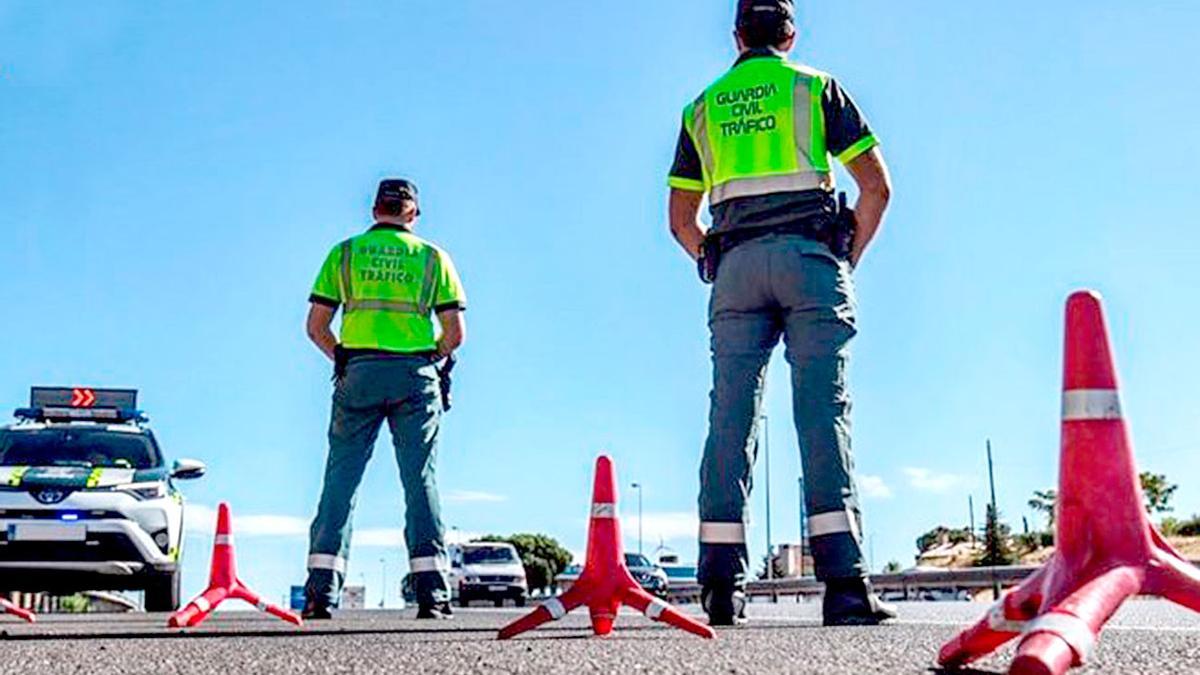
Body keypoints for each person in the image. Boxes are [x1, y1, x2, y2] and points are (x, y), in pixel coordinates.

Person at [667, 0, 895, 626]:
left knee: (730, 420)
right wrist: (849, 255)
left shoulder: (702, 108)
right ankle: (845, 586)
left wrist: (708, 258)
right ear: (790, 34)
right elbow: (876, 186)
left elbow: (680, 220)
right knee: (823, 415)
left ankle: (718, 585)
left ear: (737, 34)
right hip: (810, 260)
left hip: (736, 268)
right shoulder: (815, 88)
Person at [302, 178, 467, 620]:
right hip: (415, 376)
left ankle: (320, 593)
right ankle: (432, 593)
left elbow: (316, 326)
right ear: (413, 212)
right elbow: (455, 335)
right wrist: (428, 357)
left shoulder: (345, 253)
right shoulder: (434, 258)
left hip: (358, 373)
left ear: (375, 209)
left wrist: (344, 358)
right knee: (420, 481)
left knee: (340, 481)